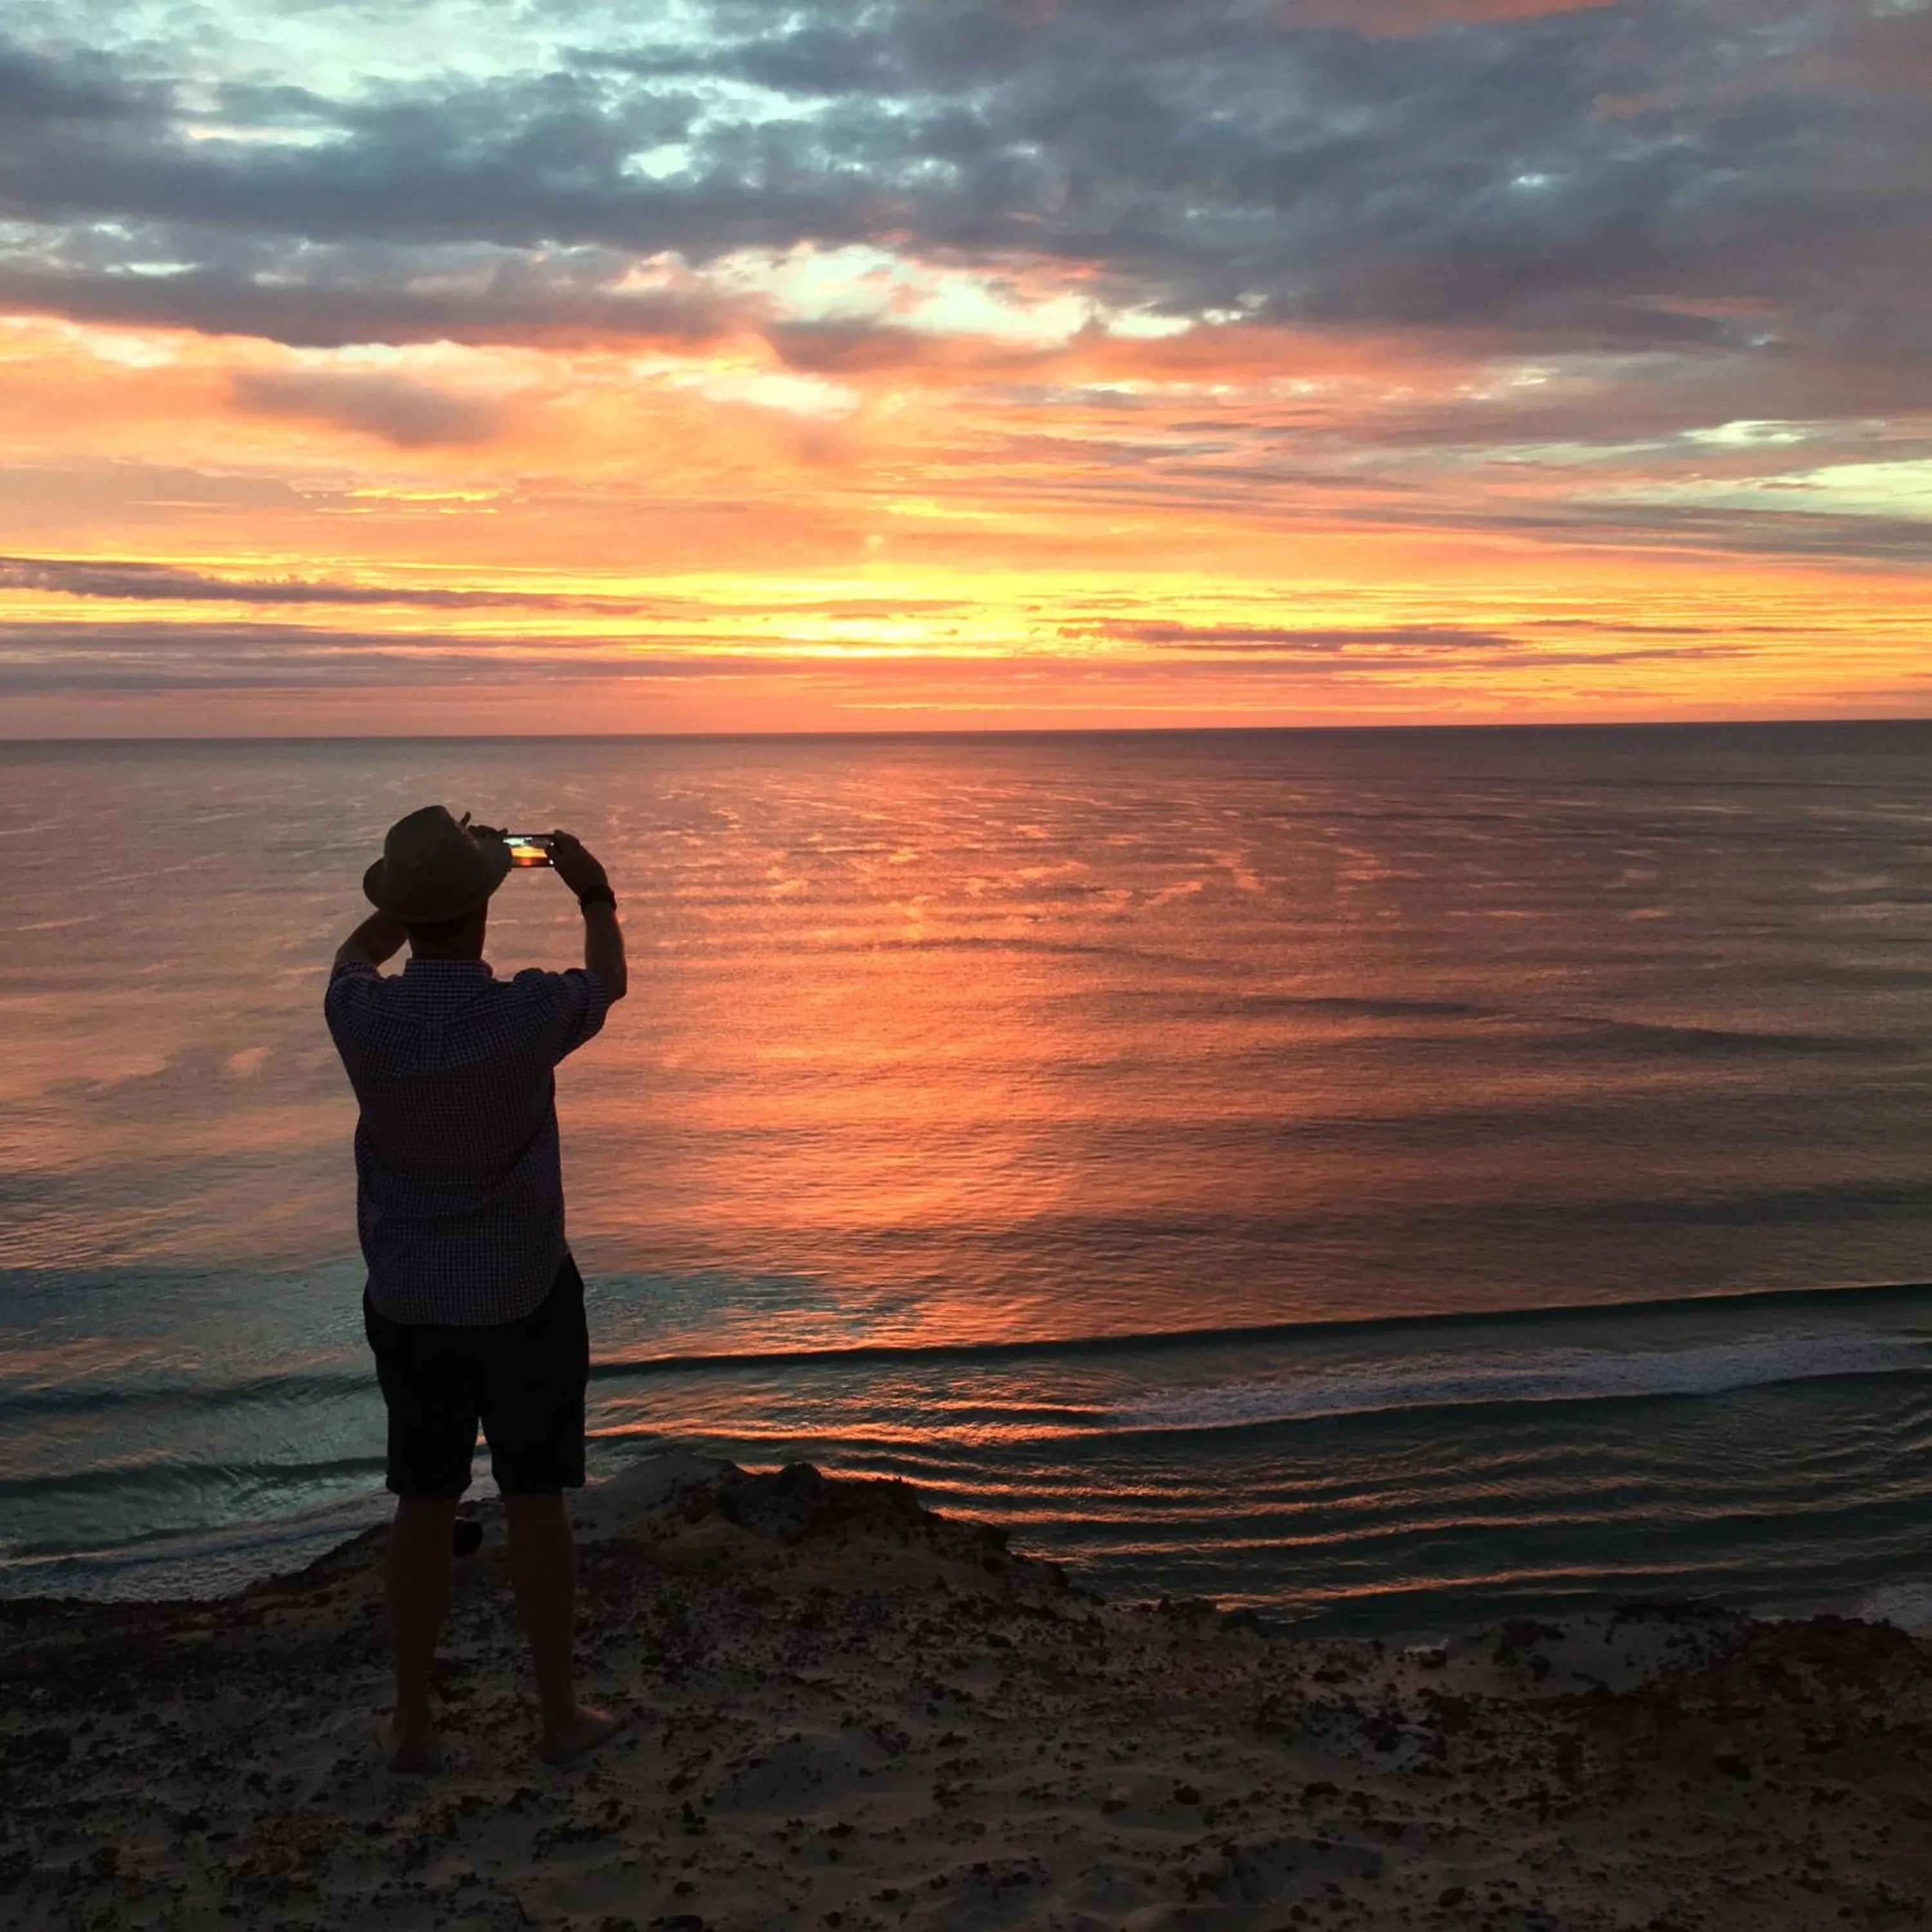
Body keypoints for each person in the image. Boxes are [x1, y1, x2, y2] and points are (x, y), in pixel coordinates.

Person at [325, 804, 627, 1771]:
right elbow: (608, 981)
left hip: (411, 1300)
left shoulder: (360, 1016)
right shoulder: (525, 1015)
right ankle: (557, 1717)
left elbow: (354, 953)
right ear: (484, 907)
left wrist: (433, 880)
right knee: (536, 1500)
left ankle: (412, 1723)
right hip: (525, 1294)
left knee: (423, 1504)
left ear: (410, 914)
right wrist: (590, 887)